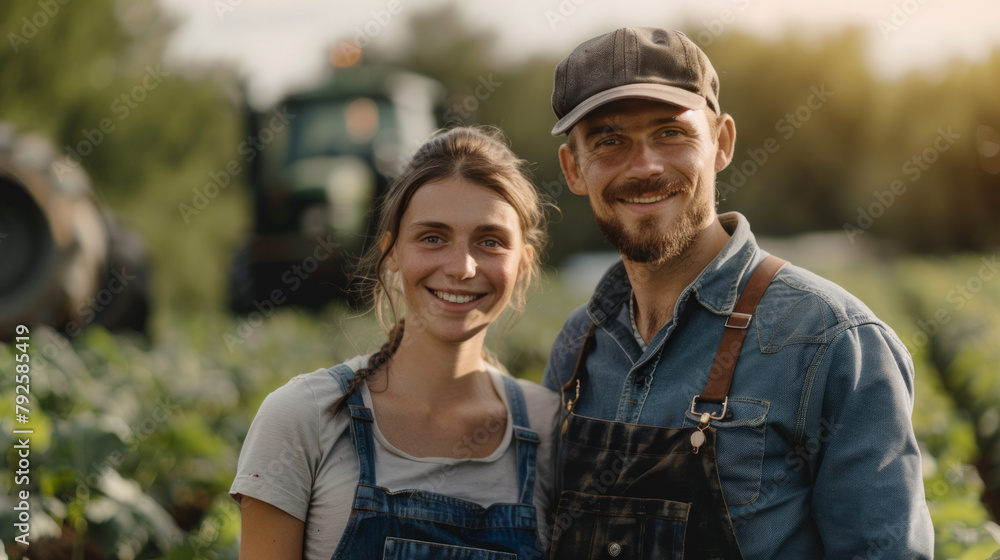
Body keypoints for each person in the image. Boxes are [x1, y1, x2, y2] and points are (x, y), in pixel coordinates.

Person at [541, 28, 934, 558]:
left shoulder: (831, 341)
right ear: (573, 169)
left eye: (670, 133)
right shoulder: (577, 347)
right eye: (609, 141)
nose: (646, 166)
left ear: (722, 142)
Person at [230, 126, 559, 559]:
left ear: (523, 263)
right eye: (433, 237)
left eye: (490, 241)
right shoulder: (303, 419)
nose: (462, 267)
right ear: (392, 254)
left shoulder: (550, 428)